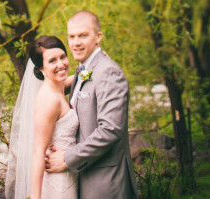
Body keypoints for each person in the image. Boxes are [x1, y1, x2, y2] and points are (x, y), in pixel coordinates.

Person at [45, 11, 139, 199]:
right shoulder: (84, 70)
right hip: (85, 174)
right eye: (72, 36)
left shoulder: (109, 72)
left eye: (83, 35)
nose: (76, 42)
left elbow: (110, 130)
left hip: (105, 181)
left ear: (98, 37)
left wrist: (67, 158)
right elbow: (50, 91)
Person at [5, 35, 79, 199]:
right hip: (59, 182)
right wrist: (35, 197)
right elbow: (38, 152)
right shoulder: (49, 100)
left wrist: (95, 67)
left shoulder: (57, 87)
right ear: (40, 69)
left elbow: (74, 79)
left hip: (68, 170)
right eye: (52, 61)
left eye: (62, 57)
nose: (61, 64)